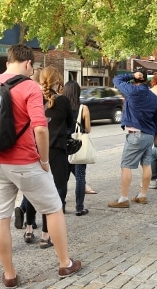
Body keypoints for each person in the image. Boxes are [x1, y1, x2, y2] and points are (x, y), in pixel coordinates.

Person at [0, 44, 81, 288]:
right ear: (28, 64)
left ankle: (9, 275)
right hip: (25, 161)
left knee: (0, 218)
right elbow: (40, 127)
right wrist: (45, 160)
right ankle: (65, 263)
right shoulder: (29, 86)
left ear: (8, 61)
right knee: (53, 208)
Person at [22, 66, 76, 249]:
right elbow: (71, 126)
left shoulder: (32, 99)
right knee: (54, 192)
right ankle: (46, 234)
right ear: (57, 80)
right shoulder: (63, 101)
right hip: (56, 151)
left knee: (31, 190)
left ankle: (29, 228)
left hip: (33, 150)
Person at [109, 70, 157, 208]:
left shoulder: (132, 90)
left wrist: (132, 75)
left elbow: (117, 80)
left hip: (135, 134)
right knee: (147, 164)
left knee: (126, 166)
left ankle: (123, 199)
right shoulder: (153, 97)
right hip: (149, 135)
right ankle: (142, 195)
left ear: (135, 80)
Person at [62, 80, 92, 216]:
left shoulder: (60, 105)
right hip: (78, 146)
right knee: (80, 177)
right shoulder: (83, 108)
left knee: (63, 178)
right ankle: (79, 208)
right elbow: (88, 129)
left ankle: (61, 206)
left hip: (63, 145)